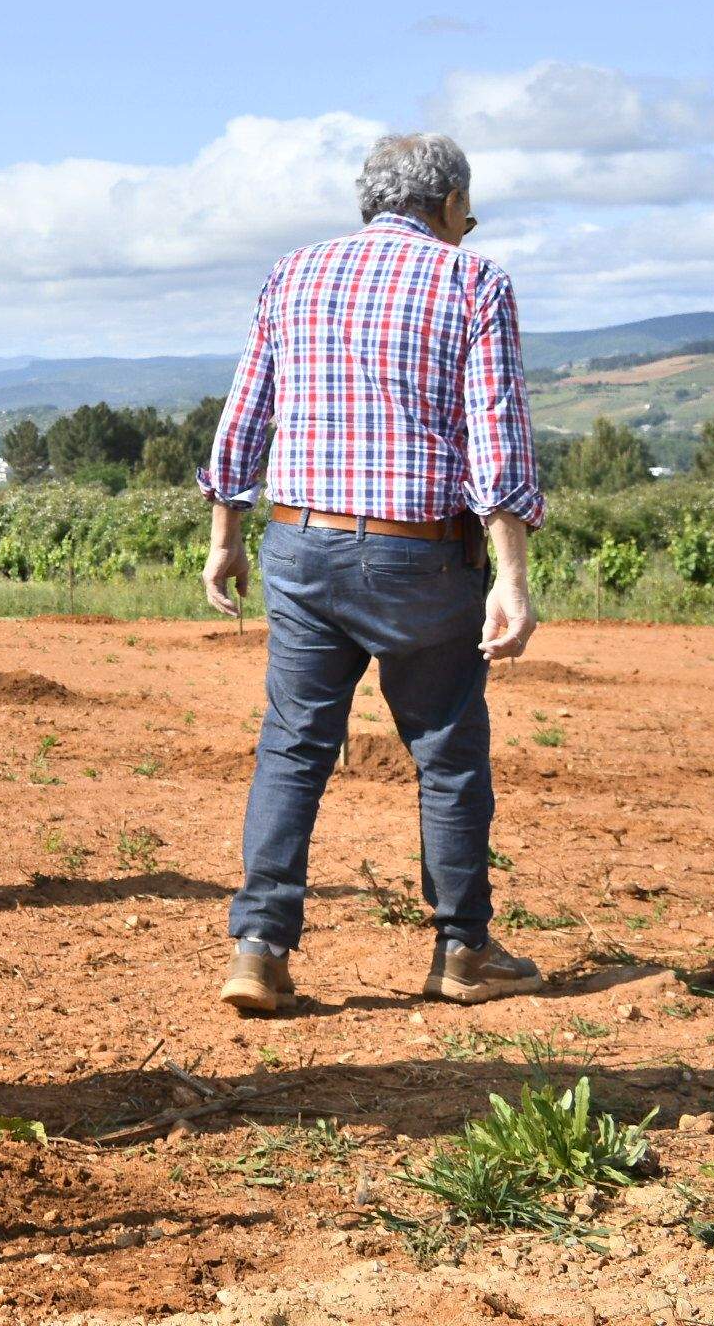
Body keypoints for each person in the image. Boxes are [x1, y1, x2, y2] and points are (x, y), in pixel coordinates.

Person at [200, 133, 545, 1014]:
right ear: (447, 202)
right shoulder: (473, 281)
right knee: (449, 753)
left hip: (302, 545)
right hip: (421, 552)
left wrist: (226, 533)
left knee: (294, 743)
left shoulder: (294, 273)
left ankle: (259, 949)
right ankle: (462, 952)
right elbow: (496, 438)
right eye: (469, 210)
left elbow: (247, 409)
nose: (471, 226)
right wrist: (511, 574)